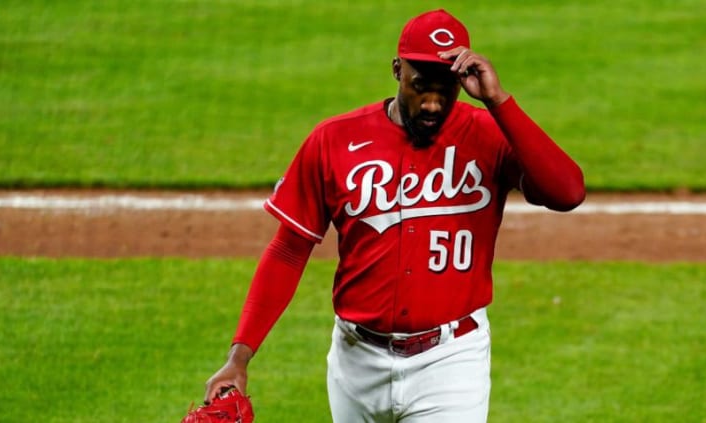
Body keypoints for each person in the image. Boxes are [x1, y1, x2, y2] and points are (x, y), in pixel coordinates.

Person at [204, 8, 585, 422]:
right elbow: (288, 251)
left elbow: (567, 192)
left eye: (446, 90)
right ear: (396, 70)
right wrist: (239, 355)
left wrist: (498, 101)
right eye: (420, 86)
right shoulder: (334, 140)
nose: (433, 104)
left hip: (450, 361)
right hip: (356, 361)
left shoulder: (488, 135)